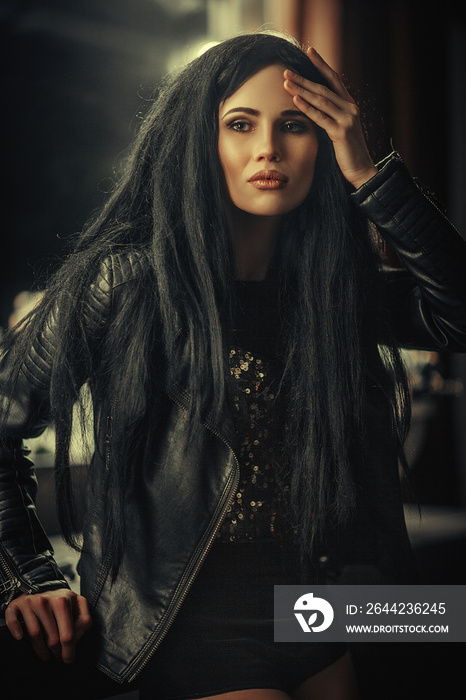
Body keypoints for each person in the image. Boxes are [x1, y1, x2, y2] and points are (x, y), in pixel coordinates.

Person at [1, 31, 466, 700]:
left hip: (316, 606)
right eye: (240, 124)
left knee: (443, 633)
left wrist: (370, 170)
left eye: (297, 125)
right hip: (187, 620)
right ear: (201, 140)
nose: (268, 150)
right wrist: (28, 579)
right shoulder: (127, 282)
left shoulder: (329, 288)